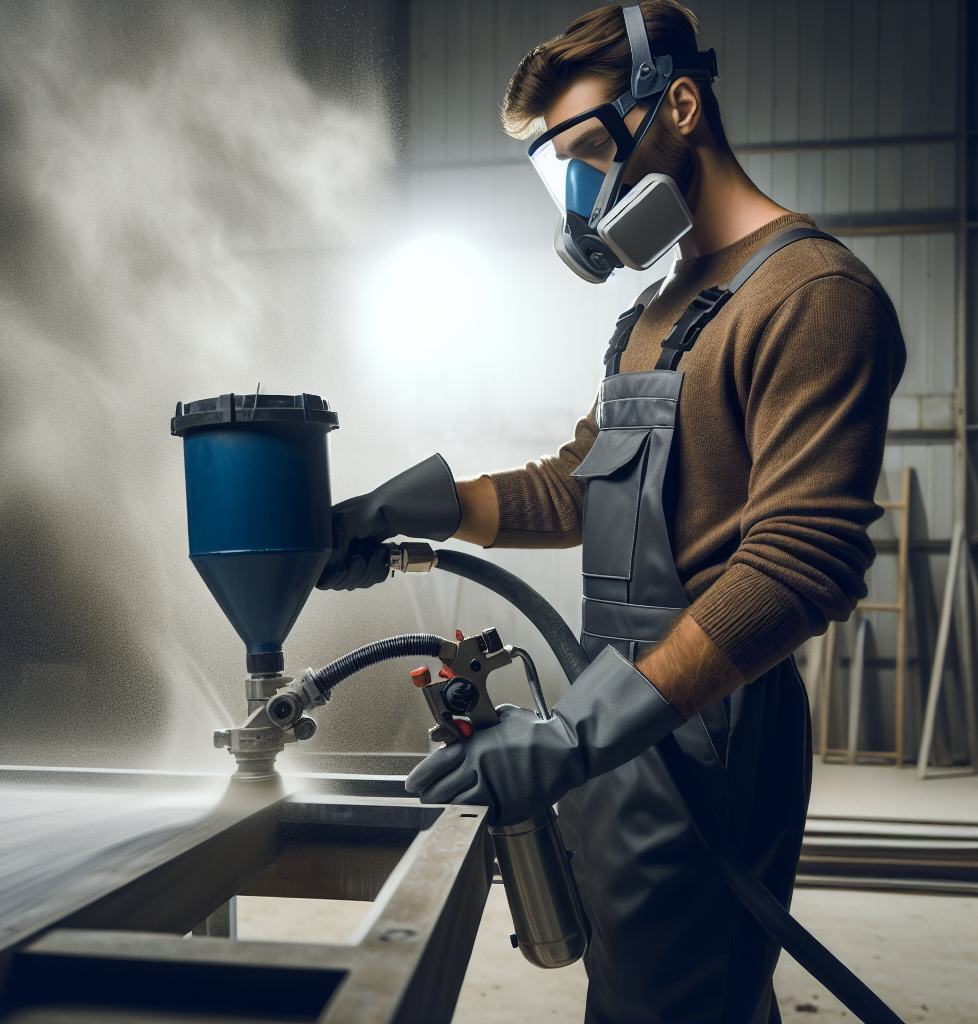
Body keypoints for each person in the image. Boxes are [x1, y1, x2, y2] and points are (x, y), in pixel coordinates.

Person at [316, 3, 906, 1021]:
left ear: (679, 104)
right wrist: (414, 509)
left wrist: (576, 735)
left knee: (672, 996)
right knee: (653, 987)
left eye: (591, 151)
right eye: (560, 173)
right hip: (613, 705)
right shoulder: (655, 311)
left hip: (705, 720)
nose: (583, 197)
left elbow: (794, 566)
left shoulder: (813, 295)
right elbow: (579, 486)